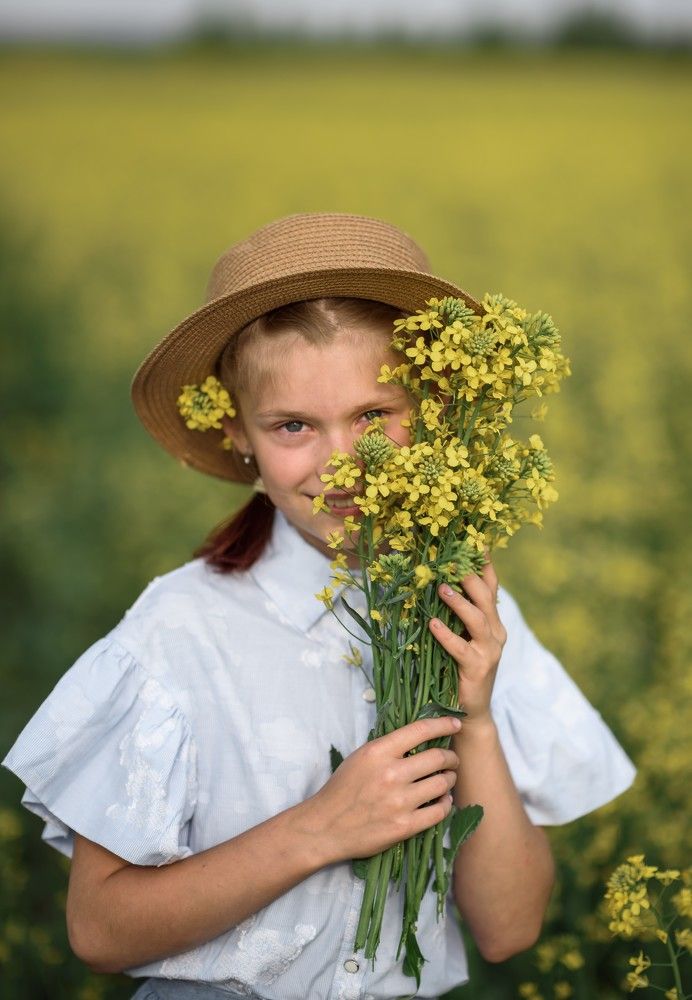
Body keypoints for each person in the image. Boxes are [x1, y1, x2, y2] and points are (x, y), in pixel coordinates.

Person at [2, 212, 636, 1000]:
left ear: (434, 413)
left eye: (374, 417)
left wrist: (473, 720)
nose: (345, 465)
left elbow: (510, 929)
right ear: (239, 435)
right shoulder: (178, 631)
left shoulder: (471, 613)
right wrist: (321, 828)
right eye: (293, 425)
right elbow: (98, 930)